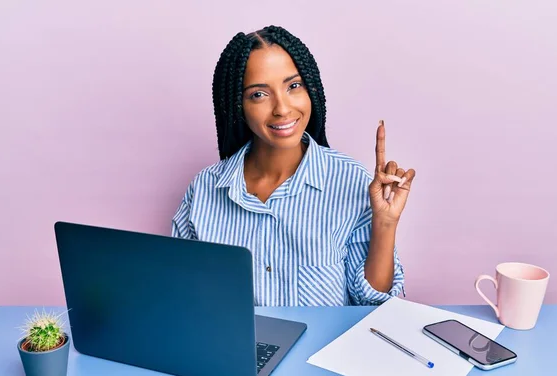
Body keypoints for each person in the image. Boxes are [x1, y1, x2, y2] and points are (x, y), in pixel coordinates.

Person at [171, 25, 416, 306]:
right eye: (259, 94)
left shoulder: (351, 181)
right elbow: (185, 297)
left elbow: (371, 304)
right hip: (233, 349)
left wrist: (385, 223)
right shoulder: (204, 190)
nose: (282, 108)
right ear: (237, 106)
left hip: (323, 349)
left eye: (293, 86)